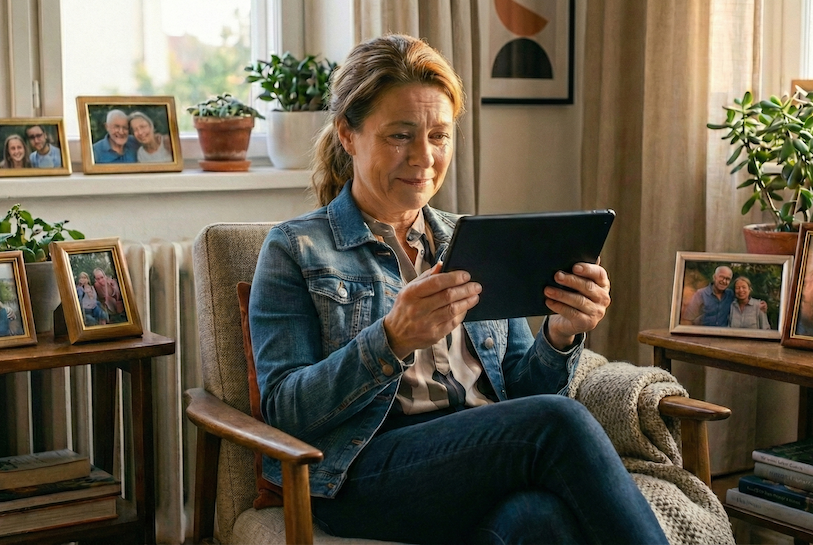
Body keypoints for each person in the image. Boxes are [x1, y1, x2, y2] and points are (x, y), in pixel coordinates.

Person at [248, 34, 668, 544]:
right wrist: (392, 339)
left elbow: (521, 392)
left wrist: (559, 335)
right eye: (400, 135)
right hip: (364, 471)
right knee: (558, 422)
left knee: (541, 519)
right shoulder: (296, 249)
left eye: (439, 136)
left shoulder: (471, 240)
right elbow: (287, 412)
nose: (424, 157)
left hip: (477, 457)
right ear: (347, 134)